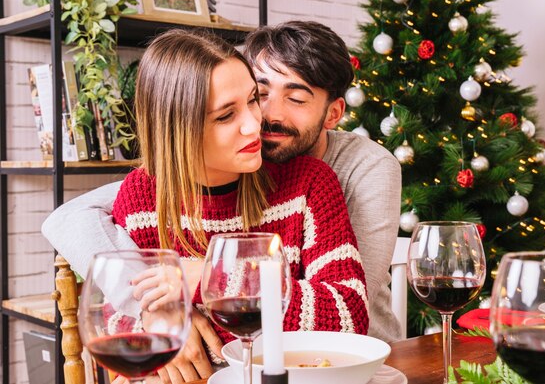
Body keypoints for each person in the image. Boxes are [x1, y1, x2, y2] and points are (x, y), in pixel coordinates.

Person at [42, 21, 401, 381]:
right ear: (179, 128)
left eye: (250, 101)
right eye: (230, 113)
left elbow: (345, 317)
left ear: (334, 112)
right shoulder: (142, 195)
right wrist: (167, 325)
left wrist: (209, 278)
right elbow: (119, 318)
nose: (257, 123)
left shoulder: (311, 183)